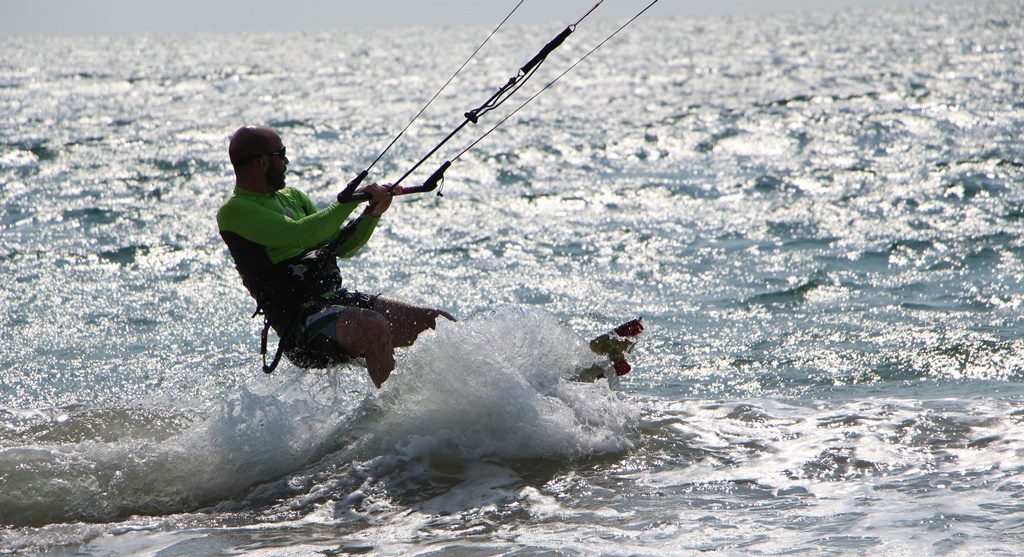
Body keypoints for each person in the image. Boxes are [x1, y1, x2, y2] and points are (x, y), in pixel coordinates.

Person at [217, 125, 454, 388]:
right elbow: (299, 235)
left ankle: (460, 409)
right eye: (281, 154)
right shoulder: (235, 211)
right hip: (300, 326)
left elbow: (342, 247)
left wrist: (371, 214)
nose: (286, 162)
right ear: (263, 162)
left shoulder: (292, 197)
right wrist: (349, 201)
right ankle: (393, 420)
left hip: (334, 301)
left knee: (439, 324)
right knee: (373, 326)